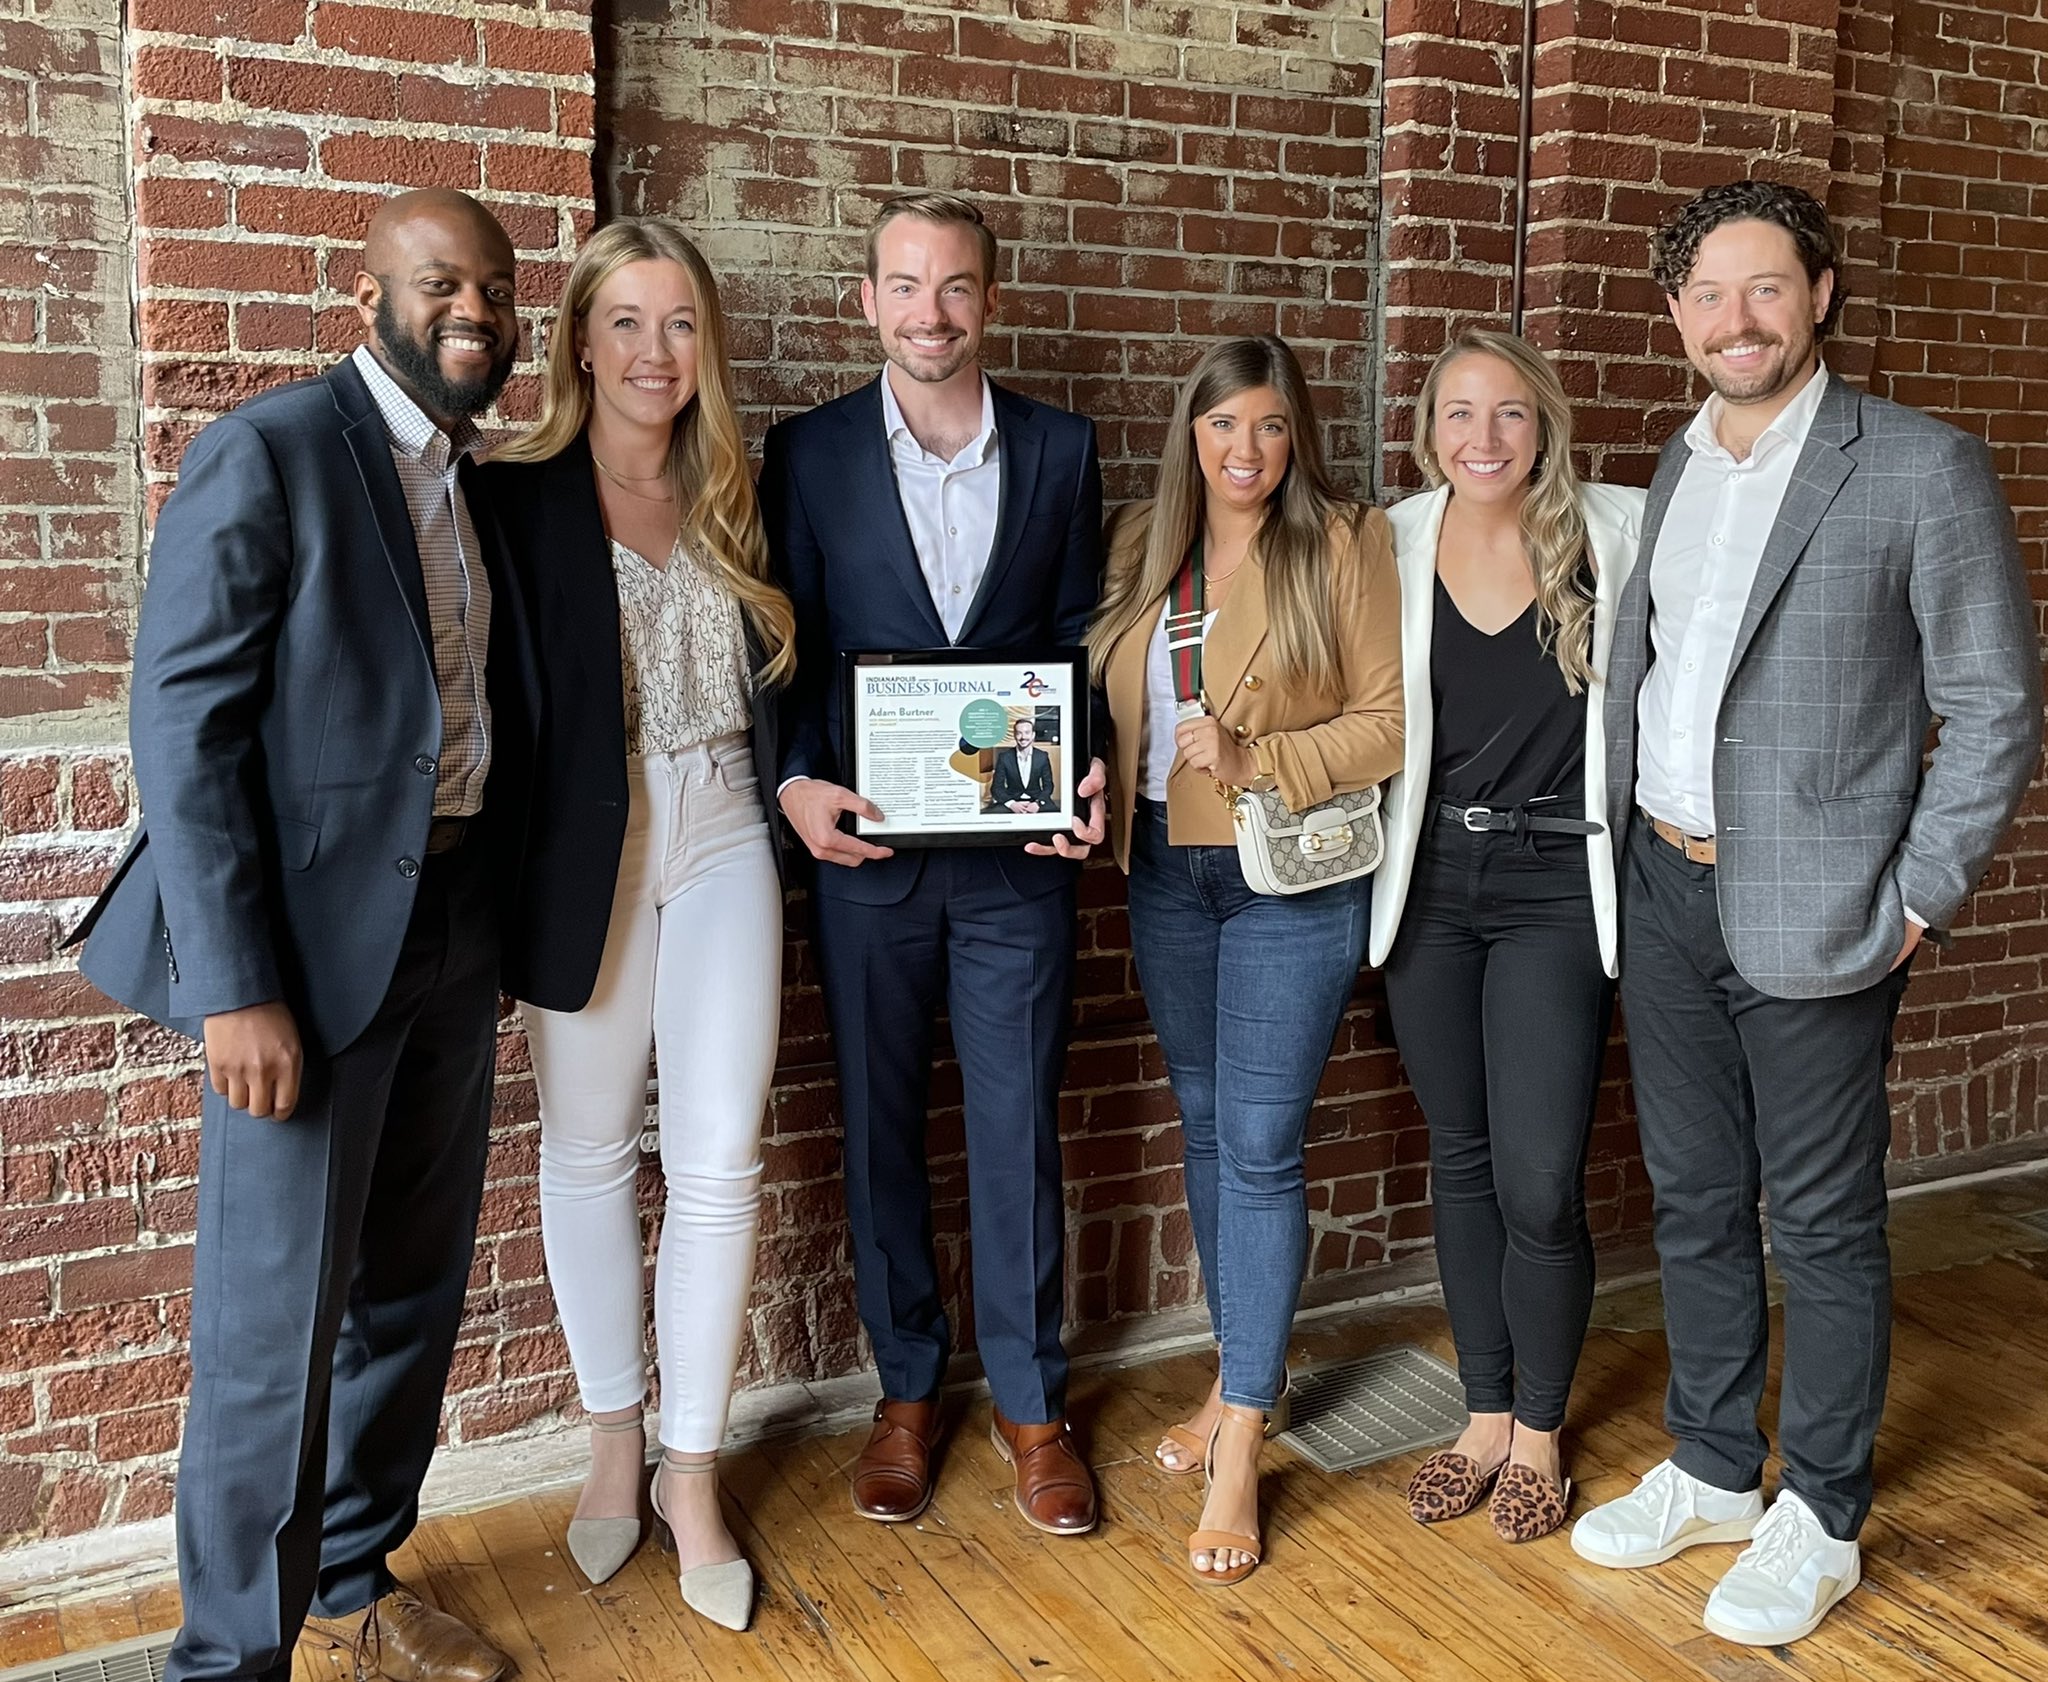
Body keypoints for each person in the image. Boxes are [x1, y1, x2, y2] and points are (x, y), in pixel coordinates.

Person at [72, 190, 537, 1682]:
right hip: (303, 966)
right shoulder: (270, 452)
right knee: (273, 1336)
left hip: (455, 930)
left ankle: (352, 1586)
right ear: (368, 296)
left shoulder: (476, 479)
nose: (474, 307)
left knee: (411, 1289)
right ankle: (225, 1660)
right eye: (439, 281)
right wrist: (238, 985)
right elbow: (184, 727)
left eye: (495, 285)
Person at [1570, 181, 2041, 1644]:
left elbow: (1996, 706)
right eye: (1708, 296)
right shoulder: (1680, 460)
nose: (1737, 319)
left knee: (1823, 1221)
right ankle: (1715, 1464)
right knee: (1697, 1201)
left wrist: (1915, 900)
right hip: (1663, 884)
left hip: (1824, 913)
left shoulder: (1917, 466)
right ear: (1677, 318)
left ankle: (1822, 1510)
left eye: (1766, 288)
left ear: (1820, 294)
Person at [759, 191, 1108, 1538]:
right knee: (880, 1131)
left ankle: (1033, 1404)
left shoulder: (1067, 451)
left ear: (990, 300)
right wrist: (792, 784)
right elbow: (784, 646)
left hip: (1019, 862)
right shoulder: (810, 453)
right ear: (868, 300)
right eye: (905, 286)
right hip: (868, 861)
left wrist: (1091, 764)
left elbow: (1082, 642)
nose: (930, 313)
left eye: (955, 287)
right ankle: (907, 1390)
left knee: (1018, 1133)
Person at [483, 217, 795, 1631]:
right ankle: (613, 1433)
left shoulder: (742, 482)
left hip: (726, 819)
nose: (653, 353)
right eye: (626, 322)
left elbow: (805, 677)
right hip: (584, 847)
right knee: (591, 1147)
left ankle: (691, 1469)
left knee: (722, 1152)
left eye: (679, 325)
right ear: (579, 337)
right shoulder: (518, 489)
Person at [1087, 334, 1403, 1584]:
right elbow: (1106, 695)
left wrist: (1260, 758)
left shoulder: (1343, 542)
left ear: (1295, 434)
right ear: (1192, 433)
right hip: (1163, 868)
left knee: (1263, 1147)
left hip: (1287, 875)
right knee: (1208, 1130)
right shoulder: (1139, 546)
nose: (1246, 450)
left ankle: (1243, 1446)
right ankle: (1229, 1383)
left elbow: (1382, 721)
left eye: (1269, 425)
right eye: (1223, 426)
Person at [1369, 329, 1645, 1543]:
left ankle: (1539, 1428)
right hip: (1427, 882)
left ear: (1545, 425)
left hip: (1550, 882)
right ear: (1427, 428)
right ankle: (1480, 1412)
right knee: (1463, 1153)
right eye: (1458, 413)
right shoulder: (1388, 541)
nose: (1483, 437)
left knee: (1539, 1175)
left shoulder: (1616, 529)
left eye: (1509, 414)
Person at [986, 716, 1055, 812]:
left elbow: (1048, 786)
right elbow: (996, 788)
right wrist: (1011, 804)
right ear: (1014, 735)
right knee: (992, 814)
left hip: (1036, 800)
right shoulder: (1004, 757)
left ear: (1033, 735)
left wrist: (1038, 803)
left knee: (1054, 812)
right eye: (1019, 733)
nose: (1023, 737)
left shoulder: (1042, 756)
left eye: (1027, 733)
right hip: (1012, 799)